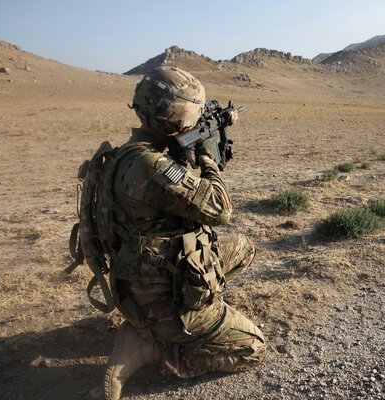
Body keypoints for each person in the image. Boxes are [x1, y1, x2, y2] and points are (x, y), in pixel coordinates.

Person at [98, 66, 266, 400]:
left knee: (243, 248)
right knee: (254, 349)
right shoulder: (154, 167)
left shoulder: (124, 155)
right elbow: (220, 209)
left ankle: (197, 303)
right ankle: (155, 345)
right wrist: (208, 160)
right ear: (177, 121)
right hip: (161, 300)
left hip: (133, 285)